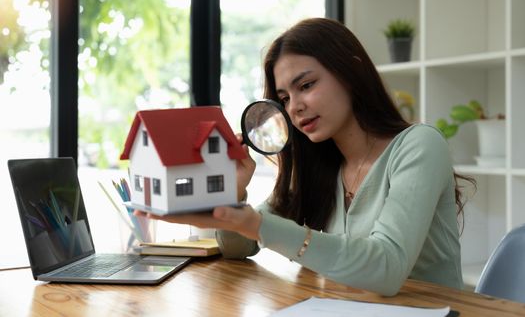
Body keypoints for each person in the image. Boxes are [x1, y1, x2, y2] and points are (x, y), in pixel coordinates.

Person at [141, 17, 471, 296]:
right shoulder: (320, 167)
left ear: (350, 72)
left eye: (307, 85)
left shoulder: (419, 146)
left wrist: (254, 223)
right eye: (284, 97)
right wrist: (234, 193)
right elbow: (237, 248)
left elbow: (386, 267)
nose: (294, 107)